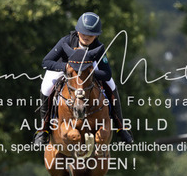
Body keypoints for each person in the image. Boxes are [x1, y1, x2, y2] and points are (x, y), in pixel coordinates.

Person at [33, 12, 134, 146]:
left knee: (112, 85)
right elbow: (46, 62)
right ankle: (44, 129)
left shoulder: (98, 47)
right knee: (46, 87)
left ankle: (121, 127)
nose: (86, 37)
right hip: (65, 68)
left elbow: (107, 74)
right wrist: (66, 67)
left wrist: (88, 73)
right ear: (77, 31)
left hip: (88, 70)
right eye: (83, 33)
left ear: (96, 35)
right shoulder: (66, 41)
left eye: (90, 35)